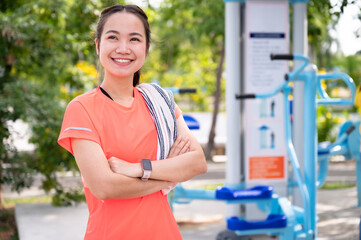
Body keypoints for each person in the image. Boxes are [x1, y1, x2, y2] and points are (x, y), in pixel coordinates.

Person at [57, 4, 207, 240]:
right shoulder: (82, 109)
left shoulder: (160, 102)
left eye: (134, 39)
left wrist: (138, 169)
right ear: (98, 45)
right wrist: (169, 173)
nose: (123, 48)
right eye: (113, 37)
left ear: (146, 49)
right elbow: (105, 187)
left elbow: (197, 163)